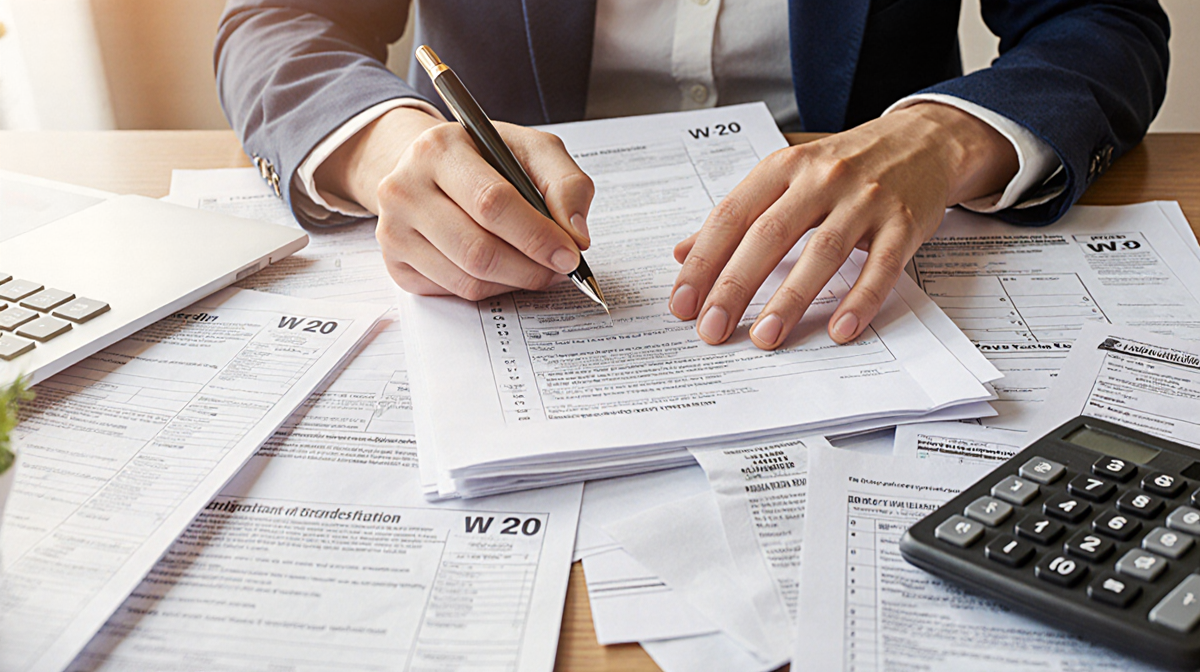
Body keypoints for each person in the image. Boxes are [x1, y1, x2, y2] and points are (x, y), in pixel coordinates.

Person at [215, 0, 1169, 349]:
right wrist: (387, 145)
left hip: (867, 235)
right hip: (523, 239)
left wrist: (941, 134)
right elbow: (279, 22)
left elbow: (1101, 18)